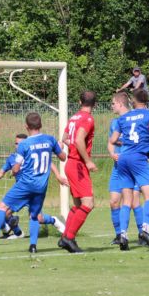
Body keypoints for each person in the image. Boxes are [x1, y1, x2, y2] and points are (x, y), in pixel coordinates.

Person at [0, 112, 66, 253]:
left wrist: (14, 171)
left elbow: (16, 168)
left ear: (26, 126)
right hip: (41, 186)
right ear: (40, 125)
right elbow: (63, 158)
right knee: (34, 215)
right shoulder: (50, 140)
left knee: (2, 207)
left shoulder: (24, 144)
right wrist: (60, 147)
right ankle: (33, 246)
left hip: (26, 184)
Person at [109, 88, 149, 250]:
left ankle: (123, 234)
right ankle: (145, 230)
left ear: (133, 101)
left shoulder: (124, 117)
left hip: (123, 158)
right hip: (138, 158)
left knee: (126, 200)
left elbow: (113, 139)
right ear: (147, 100)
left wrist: (124, 141)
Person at [58, 91, 97, 253]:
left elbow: (65, 138)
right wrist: (87, 161)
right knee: (89, 203)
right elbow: (79, 139)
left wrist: (73, 146)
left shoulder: (74, 117)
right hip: (79, 165)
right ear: (94, 104)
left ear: (80, 101)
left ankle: (65, 237)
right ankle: (69, 238)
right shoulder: (88, 119)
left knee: (78, 205)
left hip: (71, 163)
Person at [107, 92, 144, 249]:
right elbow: (110, 142)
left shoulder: (136, 118)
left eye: (113, 103)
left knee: (134, 201)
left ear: (120, 104)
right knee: (114, 201)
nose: (111, 106)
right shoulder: (115, 123)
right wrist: (112, 154)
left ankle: (143, 233)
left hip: (132, 167)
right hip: (118, 167)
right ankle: (119, 235)